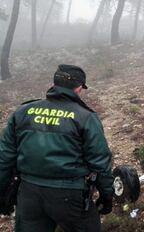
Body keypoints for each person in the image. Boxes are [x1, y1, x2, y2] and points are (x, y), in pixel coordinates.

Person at [0, 64, 114, 231]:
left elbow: (4, 157)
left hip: (28, 194)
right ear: (79, 88)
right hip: (69, 195)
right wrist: (107, 195)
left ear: (53, 84)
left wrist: (2, 191)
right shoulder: (85, 117)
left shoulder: (23, 112)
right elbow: (100, 160)